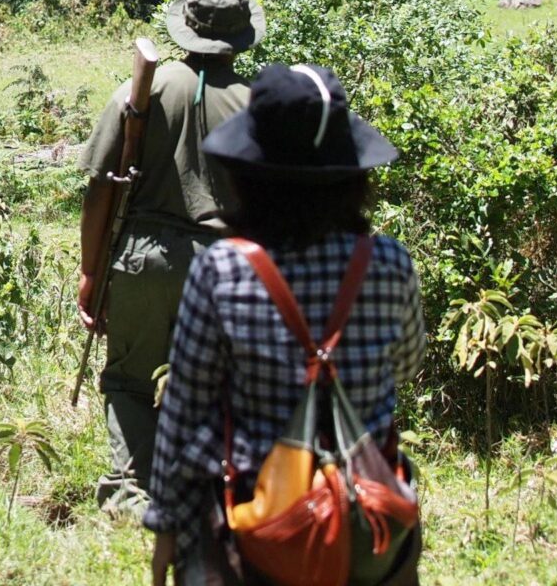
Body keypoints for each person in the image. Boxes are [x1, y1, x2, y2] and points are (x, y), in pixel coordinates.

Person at [146, 63, 425, 586]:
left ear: (248, 175)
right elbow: (407, 365)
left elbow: (184, 410)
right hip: (367, 532)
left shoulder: (223, 269)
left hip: (253, 528)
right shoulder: (388, 263)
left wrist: (165, 524)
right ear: (352, 173)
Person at [77, 0, 264, 515]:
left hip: (144, 258)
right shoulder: (258, 107)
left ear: (186, 27)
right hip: (229, 266)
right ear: (241, 36)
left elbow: (99, 189)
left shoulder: (142, 93)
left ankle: (131, 492)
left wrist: (91, 271)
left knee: (133, 381)